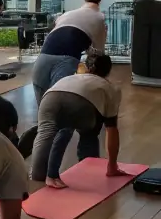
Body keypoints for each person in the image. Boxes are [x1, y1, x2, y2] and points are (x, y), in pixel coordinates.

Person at [29, 51, 127, 188]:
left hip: (50, 97)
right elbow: (112, 130)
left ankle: (40, 178)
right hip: (78, 103)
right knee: (89, 130)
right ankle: (88, 166)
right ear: (108, 71)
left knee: (48, 133)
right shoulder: (110, 88)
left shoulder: (72, 77)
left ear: (87, 67)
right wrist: (112, 166)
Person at [31, 0, 107, 106]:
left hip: (43, 56)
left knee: (44, 110)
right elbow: (99, 52)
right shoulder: (99, 17)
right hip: (66, 58)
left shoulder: (66, 15)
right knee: (59, 107)